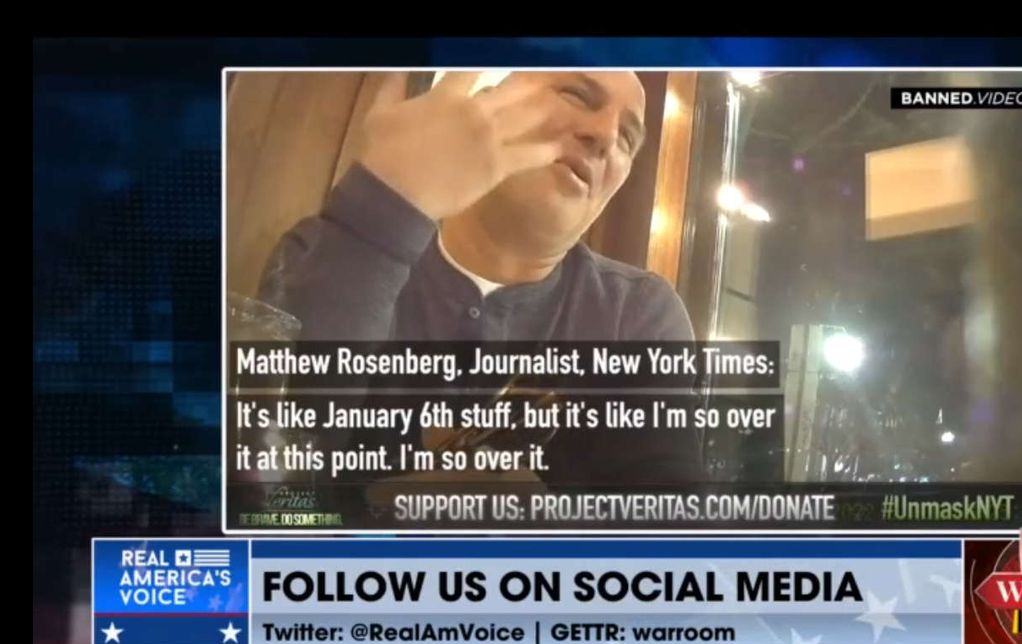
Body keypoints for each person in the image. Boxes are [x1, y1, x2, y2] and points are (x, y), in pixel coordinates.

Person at [254, 70, 704, 490]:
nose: (605, 136)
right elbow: (270, 485)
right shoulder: (323, 252)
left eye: (627, 138)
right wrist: (383, 209)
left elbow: (673, 525)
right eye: (576, 95)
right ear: (488, 107)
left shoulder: (639, 314)